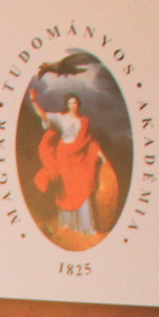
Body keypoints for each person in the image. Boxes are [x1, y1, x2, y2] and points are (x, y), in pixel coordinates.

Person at [27, 89, 108, 238]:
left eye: (75, 103)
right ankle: (68, 225)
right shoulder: (61, 118)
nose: (73, 105)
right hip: (64, 156)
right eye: (70, 103)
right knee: (67, 190)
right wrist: (33, 101)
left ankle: (86, 226)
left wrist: (102, 155)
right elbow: (43, 115)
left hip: (80, 158)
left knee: (83, 187)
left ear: (78, 104)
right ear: (67, 105)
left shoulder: (84, 121)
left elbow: (90, 141)